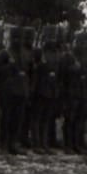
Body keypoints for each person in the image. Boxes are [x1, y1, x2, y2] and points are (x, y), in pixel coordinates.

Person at [0, 26, 32, 155]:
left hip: (22, 90)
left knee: (18, 119)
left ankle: (13, 143)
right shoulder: (4, 53)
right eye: (15, 38)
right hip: (8, 91)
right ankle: (3, 145)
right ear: (11, 39)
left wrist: (28, 89)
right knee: (6, 118)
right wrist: (9, 67)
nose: (17, 41)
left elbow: (30, 72)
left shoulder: (26, 54)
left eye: (19, 38)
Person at [31, 24, 62, 154]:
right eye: (49, 37)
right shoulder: (39, 52)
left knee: (47, 119)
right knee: (37, 118)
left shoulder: (57, 54)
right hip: (40, 89)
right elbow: (33, 70)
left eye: (53, 37)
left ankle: (45, 144)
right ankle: (36, 144)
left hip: (52, 90)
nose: (52, 40)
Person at [61, 32, 87, 154]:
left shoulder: (85, 57)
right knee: (69, 120)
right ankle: (68, 145)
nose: (82, 45)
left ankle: (78, 143)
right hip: (71, 93)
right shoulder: (68, 57)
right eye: (80, 42)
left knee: (80, 120)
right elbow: (62, 74)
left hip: (83, 93)